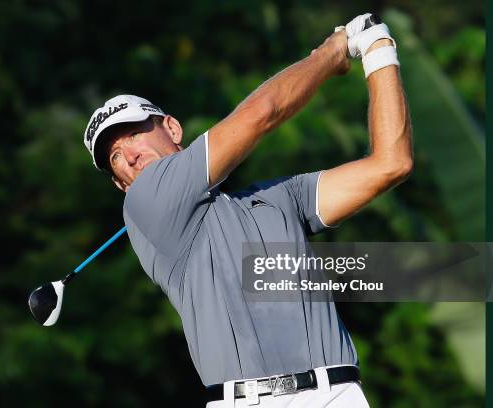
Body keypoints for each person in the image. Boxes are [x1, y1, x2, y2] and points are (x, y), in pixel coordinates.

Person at [83, 13, 412, 408]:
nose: (131, 156)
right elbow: (262, 113)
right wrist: (332, 52)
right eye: (115, 156)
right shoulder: (143, 201)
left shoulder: (278, 198)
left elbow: (391, 163)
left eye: (135, 132)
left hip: (338, 394)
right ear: (120, 184)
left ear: (172, 128)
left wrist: (379, 50)